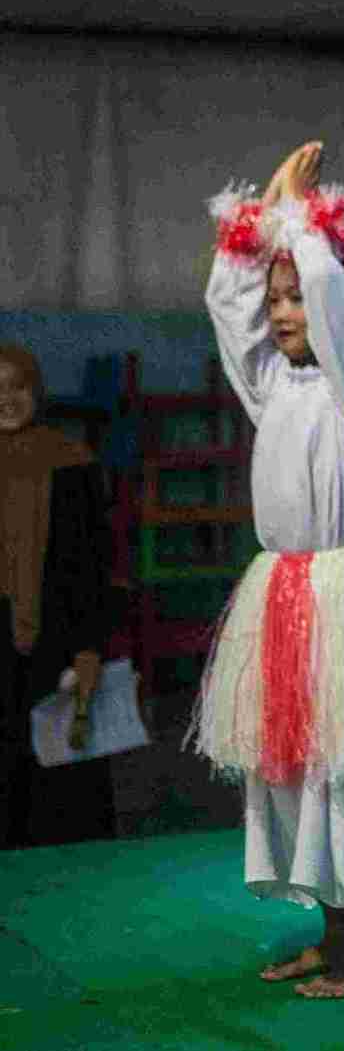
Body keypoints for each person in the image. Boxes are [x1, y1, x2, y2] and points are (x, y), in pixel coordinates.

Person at [192, 141, 344, 998]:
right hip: (281, 590)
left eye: (295, 298)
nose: (283, 312)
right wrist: (255, 239)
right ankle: (335, 932)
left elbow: (332, 297)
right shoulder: (269, 386)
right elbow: (227, 309)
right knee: (292, 769)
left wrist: (298, 220)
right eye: (276, 298)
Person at [0, 342, 116, 849]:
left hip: (59, 635)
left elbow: (93, 562)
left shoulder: (72, 460)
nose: (7, 400)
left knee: (61, 778)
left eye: (17, 387)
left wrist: (89, 646)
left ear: (36, 391)